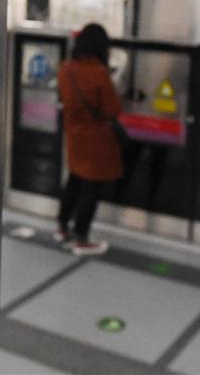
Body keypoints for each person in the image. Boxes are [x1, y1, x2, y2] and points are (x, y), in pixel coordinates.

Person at [55, 23, 123, 256]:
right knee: (91, 188)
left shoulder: (66, 69)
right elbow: (113, 108)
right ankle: (82, 238)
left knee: (74, 180)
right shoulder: (98, 73)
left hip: (74, 135)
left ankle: (62, 226)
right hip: (96, 139)